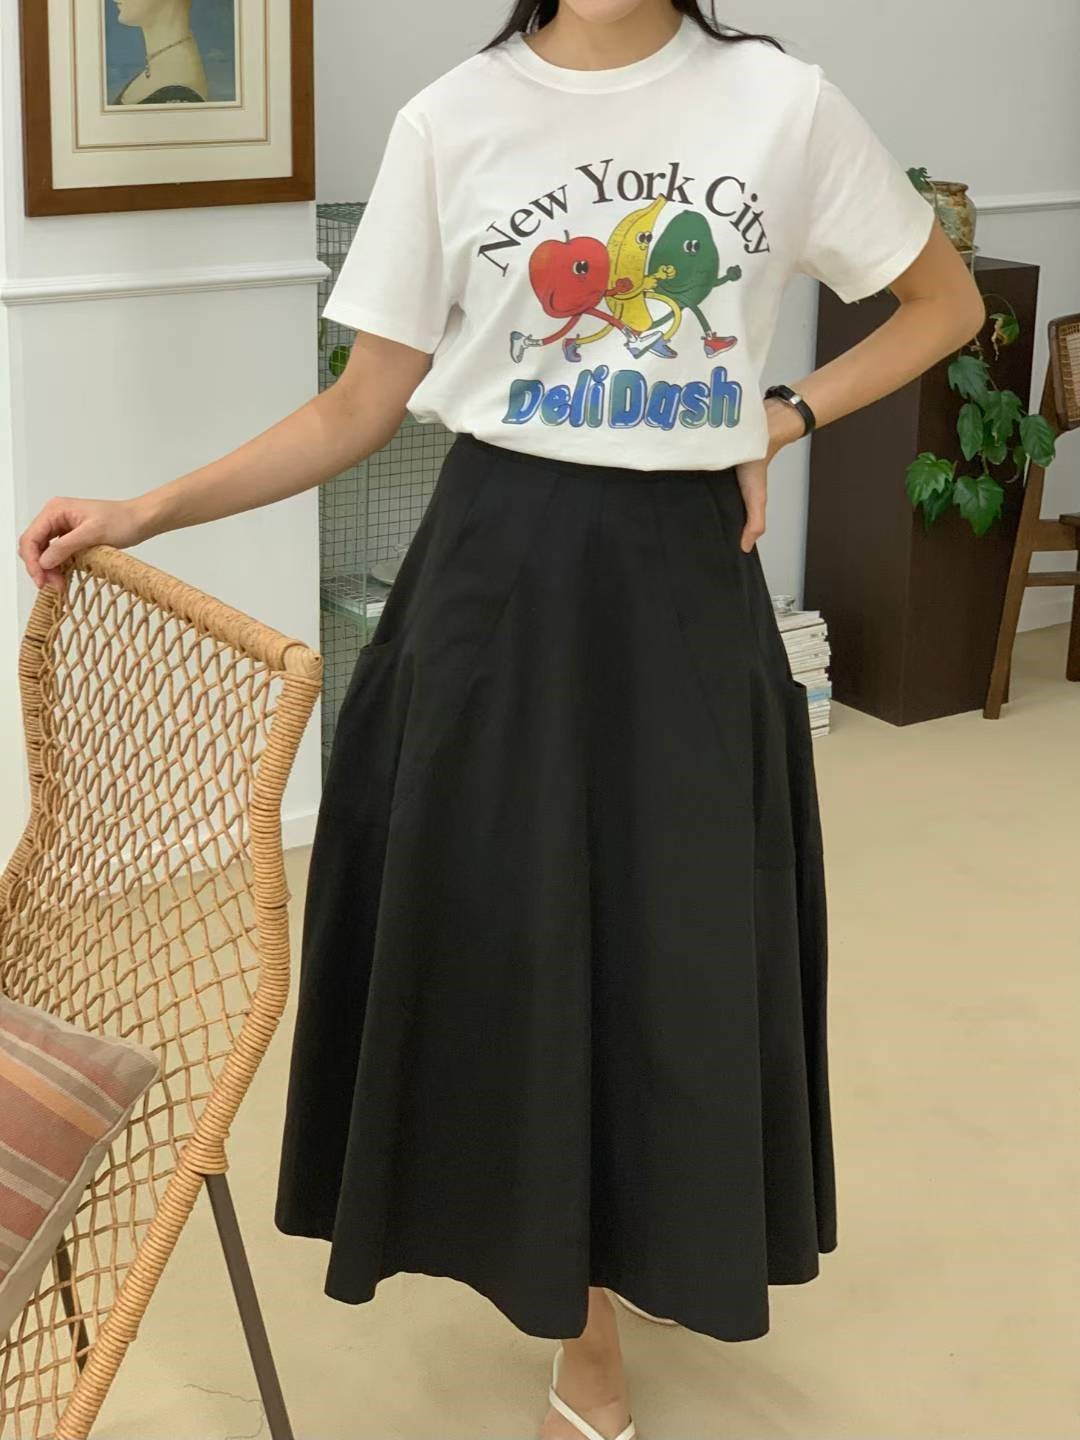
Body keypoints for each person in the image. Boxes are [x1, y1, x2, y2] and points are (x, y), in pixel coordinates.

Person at [18, 3, 985, 1436]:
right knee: (518, 946)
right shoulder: (454, 119)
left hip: (682, 582)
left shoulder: (781, 105)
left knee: (679, 942)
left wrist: (776, 415)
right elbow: (358, 407)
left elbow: (945, 308)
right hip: (496, 570)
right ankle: (582, 1327)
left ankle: (658, 1236)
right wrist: (147, 506)